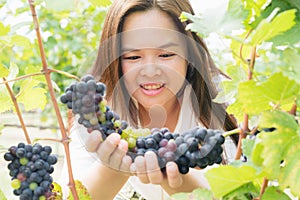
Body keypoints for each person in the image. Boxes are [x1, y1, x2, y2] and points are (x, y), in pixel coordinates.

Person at [59, 0, 239, 199]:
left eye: (166, 54)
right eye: (133, 57)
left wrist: (176, 179)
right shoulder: (96, 110)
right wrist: (114, 167)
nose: (151, 71)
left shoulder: (226, 100)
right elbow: (69, 195)